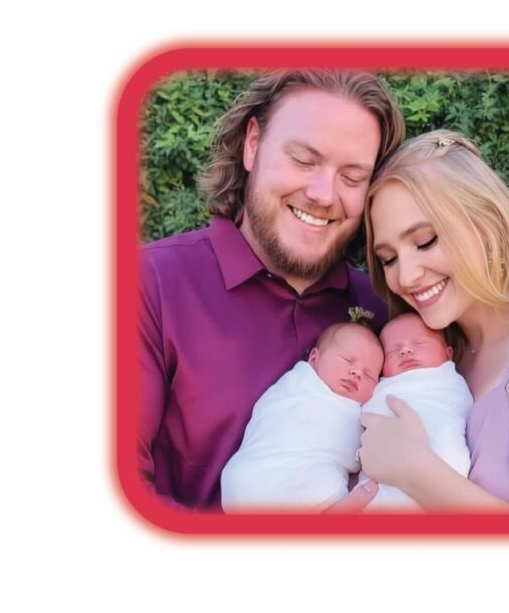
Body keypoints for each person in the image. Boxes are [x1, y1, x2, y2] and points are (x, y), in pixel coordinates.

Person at [138, 71, 405, 511]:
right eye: (303, 159)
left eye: (352, 176)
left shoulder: (384, 311)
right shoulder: (148, 284)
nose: (323, 194)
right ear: (252, 144)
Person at [358, 129, 509, 512]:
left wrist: (415, 471)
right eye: (388, 259)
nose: (406, 276)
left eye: (425, 241)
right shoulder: (432, 355)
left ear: (486, 223)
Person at [220, 320, 383, 512]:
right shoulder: (297, 385)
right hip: (252, 476)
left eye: (369, 375)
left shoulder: (359, 411)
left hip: (261, 485)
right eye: (348, 359)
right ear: (314, 358)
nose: (357, 373)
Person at [356, 312, 473, 512]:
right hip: (378, 486)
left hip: (441, 480)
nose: (405, 350)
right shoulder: (381, 388)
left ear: (448, 354)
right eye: (393, 351)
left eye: (419, 343)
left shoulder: (449, 381)